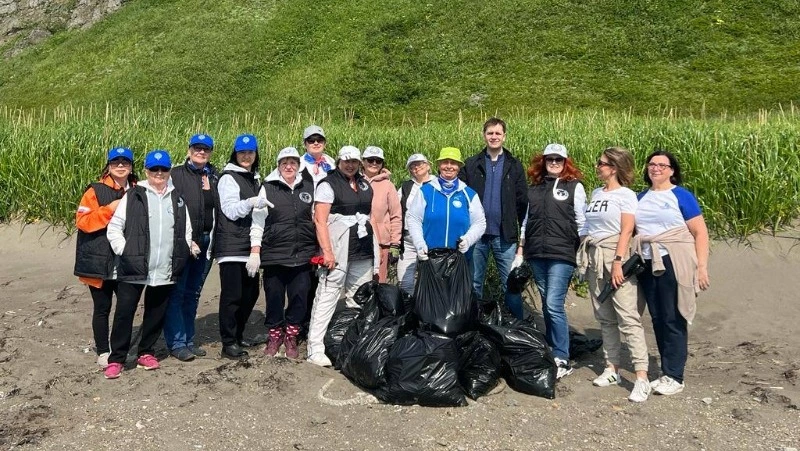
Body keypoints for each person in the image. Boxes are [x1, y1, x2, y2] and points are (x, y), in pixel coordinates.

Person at [104, 150, 194, 379]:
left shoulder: (177, 197)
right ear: (146, 171)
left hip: (164, 267)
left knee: (156, 312)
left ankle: (146, 351)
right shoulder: (134, 195)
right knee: (125, 313)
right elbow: (114, 227)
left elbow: (186, 230)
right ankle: (117, 358)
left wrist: (183, 250)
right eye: (154, 169)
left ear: (169, 171)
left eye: (163, 169)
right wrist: (124, 251)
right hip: (134, 267)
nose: (159, 173)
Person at [633, 150, 710, 396]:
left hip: (673, 258)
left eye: (662, 165)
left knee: (673, 316)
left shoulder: (681, 196)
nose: (656, 168)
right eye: (652, 164)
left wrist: (702, 267)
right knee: (656, 317)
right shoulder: (640, 197)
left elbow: (700, 232)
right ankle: (666, 371)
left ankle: (675, 375)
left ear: (672, 170)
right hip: (646, 260)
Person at [577, 147, 651, 402]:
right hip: (595, 255)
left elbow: (627, 229)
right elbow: (588, 223)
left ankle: (641, 376)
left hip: (614, 255)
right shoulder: (596, 193)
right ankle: (612, 368)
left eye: (602, 163)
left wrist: (619, 261)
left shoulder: (626, 195)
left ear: (615, 167)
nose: (597, 166)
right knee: (604, 316)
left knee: (628, 317)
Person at [516, 143, 586, 380]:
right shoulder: (534, 189)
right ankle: (553, 346)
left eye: (558, 159)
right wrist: (521, 249)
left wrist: (582, 251)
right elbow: (526, 221)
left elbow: (582, 221)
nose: (554, 163)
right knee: (547, 303)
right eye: (550, 159)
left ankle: (562, 356)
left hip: (562, 254)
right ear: (543, 162)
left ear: (566, 162)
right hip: (536, 253)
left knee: (554, 304)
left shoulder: (574, 187)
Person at [306, 146, 377, 367]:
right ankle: (314, 347)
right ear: (338, 161)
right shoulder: (328, 184)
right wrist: (326, 251)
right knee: (328, 294)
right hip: (338, 245)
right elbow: (320, 220)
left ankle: (352, 344)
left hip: (362, 246)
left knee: (359, 296)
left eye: (354, 161)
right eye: (346, 161)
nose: (350, 165)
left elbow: (369, 215)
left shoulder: (365, 184)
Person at [251, 147, 317, 359]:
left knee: (299, 297)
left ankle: (291, 335)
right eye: (284, 163)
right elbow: (258, 221)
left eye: (293, 163)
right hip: (274, 255)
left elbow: (317, 219)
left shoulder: (309, 186)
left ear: (299, 165)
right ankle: (274, 334)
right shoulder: (268, 188)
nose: (289, 166)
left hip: (303, 254)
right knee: (274, 297)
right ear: (278, 166)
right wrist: (255, 251)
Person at [74, 146, 137, 369]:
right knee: (102, 308)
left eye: (125, 162)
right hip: (98, 260)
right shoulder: (95, 190)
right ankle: (103, 351)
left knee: (126, 308)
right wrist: (110, 209)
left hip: (127, 261)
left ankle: (119, 350)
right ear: (109, 166)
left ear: (131, 167)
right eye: (116, 162)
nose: (120, 166)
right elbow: (82, 221)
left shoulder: (138, 189)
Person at [460, 117, 528, 319]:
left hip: (504, 234)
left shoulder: (514, 165)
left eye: (498, 133)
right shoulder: (472, 164)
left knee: (511, 283)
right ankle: (474, 324)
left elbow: (522, 201)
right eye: (490, 133)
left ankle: (517, 326)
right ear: (484, 135)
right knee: (474, 283)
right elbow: (460, 197)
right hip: (477, 235)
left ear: (504, 136)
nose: (494, 137)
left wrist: (523, 240)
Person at [163, 133, 219, 362]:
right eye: (197, 148)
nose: (201, 152)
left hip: (207, 242)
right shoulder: (176, 174)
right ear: (189, 150)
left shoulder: (214, 175)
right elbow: (168, 208)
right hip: (184, 242)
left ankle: (188, 339)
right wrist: (184, 240)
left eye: (205, 149)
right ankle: (176, 343)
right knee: (177, 293)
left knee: (193, 293)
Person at [215, 134, 271, 359]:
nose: (246, 156)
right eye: (242, 153)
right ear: (235, 154)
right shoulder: (229, 178)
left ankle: (237, 335)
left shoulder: (253, 178)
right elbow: (229, 210)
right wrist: (250, 202)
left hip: (249, 245)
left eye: (250, 152)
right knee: (232, 296)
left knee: (251, 293)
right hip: (231, 246)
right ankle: (228, 342)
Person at [406, 147, 486, 261]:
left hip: (460, 259)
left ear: (459, 167)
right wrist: (419, 243)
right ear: (439, 165)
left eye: (453, 163)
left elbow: (479, 222)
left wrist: (468, 240)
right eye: (445, 162)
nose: (449, 166)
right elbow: (414, 218)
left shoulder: (469, 194)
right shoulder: (426, 191)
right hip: (430, 258)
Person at [362, 146, 402, 283]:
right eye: (370, 160)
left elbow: (396, 215)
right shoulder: (354, 181)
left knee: (379, 282)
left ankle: (378, 305)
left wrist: (394, 243)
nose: (374, 164)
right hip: (358, 240)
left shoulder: (388, 185)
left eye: (378, 161)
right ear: (363, 161)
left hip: (381, 242)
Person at [396, 153, 433, 294]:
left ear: (428, 165)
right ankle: (408, 309)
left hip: (429, 238)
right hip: (408, 239)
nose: (416, 168)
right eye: (412, 166)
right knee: (404, 280)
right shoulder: (406, 187)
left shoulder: (437, 183)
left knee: (431, 277)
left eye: (419, 164)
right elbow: (397, 210)